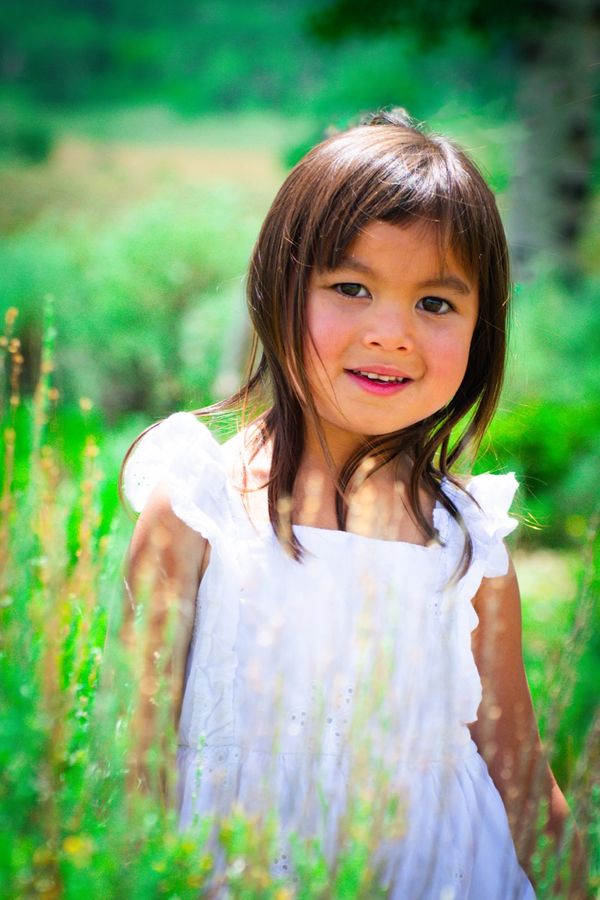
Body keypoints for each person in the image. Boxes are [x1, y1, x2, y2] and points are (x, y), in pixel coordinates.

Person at [122, 110, 584, 898]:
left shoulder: (468, 538)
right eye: (351, 288)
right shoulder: (198, 509)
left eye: (436, 304)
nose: (391, 332)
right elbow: (134, 766)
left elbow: (519, 771)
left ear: (483, 328)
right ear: (278, 285)